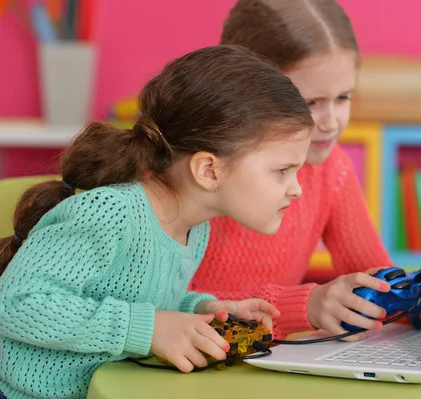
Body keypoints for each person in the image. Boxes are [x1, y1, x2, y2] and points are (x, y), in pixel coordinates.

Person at [0, 44, 314, 399]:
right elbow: (15, 301)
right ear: (209, 169)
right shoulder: (110, 213)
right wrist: (148, 329)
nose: (296, 190)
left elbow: (135, 297)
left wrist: (201, 310)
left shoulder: (195, 227)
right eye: (283, 171)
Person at [189, 0, 421, 341]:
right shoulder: (202, 170)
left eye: (343, 97)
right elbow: (169, 306)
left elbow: (374, 284)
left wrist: (414, 301)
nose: (331, 122)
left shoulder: (333, 170)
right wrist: (305, 305)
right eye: (309, 102)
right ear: (244, 90)